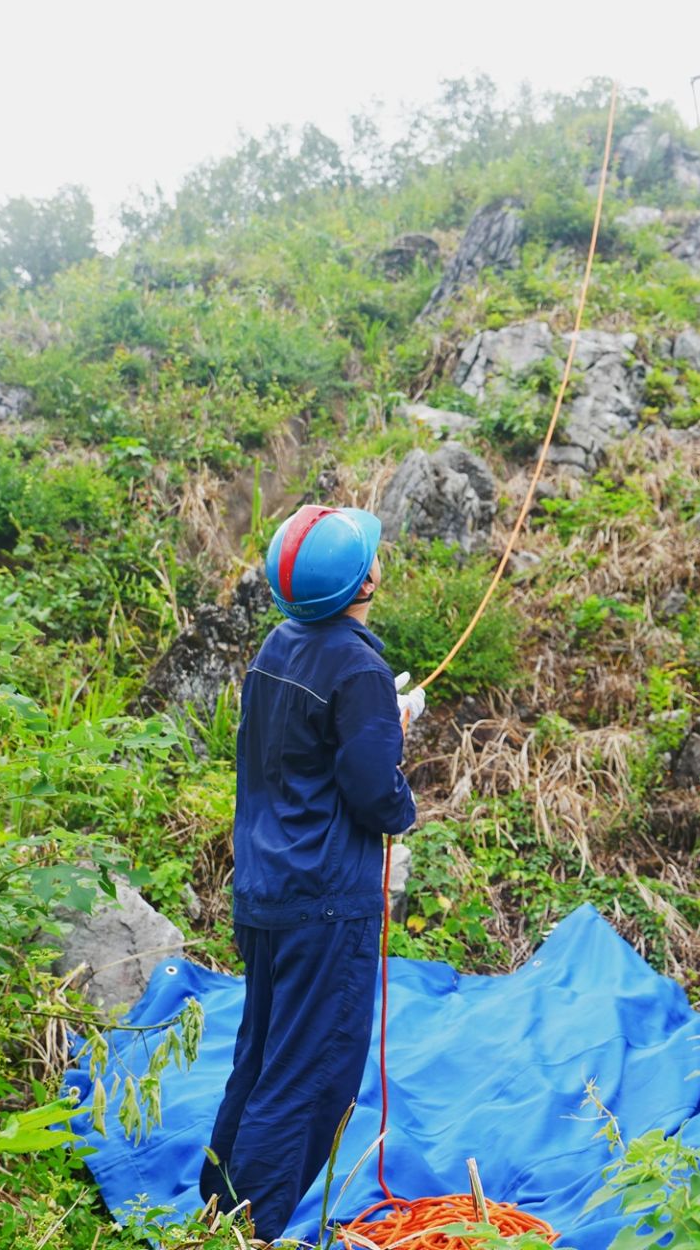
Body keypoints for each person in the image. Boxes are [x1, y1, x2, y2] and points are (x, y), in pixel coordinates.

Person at [201, 504, 426, 1242]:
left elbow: (298, 751)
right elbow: (372, 792)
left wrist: (378, 716)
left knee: (262, 1057)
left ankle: (215, 1210)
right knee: (312, 1076)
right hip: (324, 901)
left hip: (265, 890)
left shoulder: (276, 646)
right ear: (364, 581)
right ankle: (248, 1234)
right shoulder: (358, 666)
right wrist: (397, 772)